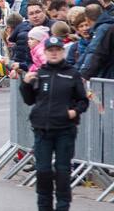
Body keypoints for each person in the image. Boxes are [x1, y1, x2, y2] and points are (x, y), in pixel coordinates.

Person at [20, 37, 88, 211]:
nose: (54, 53)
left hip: (65, 130)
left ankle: (63, 207)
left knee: (63, 172)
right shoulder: (40, 73)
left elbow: (83, 100)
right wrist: (25, 84)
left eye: (58, 49)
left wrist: (74, 111)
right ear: (46, 53)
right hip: (42, 130)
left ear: (63, 52)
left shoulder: (72, 73)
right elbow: (29, 100)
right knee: (43, 171)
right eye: (51, 50)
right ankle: (44, 207)